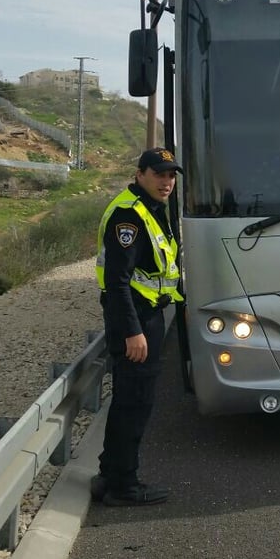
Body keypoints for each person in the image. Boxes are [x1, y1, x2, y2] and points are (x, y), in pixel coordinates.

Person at [91, 148, 184, 506]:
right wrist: (133, 331)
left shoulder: (151, 209)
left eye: (171, 175)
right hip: (135, 320)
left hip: (148, 315)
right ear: (140, 173)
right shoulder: (129, 215)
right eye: (159, 174)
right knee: (134, 403)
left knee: (130, 402)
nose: (167, 182)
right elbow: (116, 281)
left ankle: (109, 475)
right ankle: (123, 486)